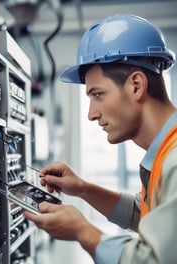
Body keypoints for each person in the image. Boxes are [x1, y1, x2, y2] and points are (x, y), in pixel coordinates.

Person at [24, 14, 177, 263]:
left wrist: (83, 231)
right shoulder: (166, 152)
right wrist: (83, 189)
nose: (91, 114)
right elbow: (146, 215)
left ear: (136, 85)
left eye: (98, 95)